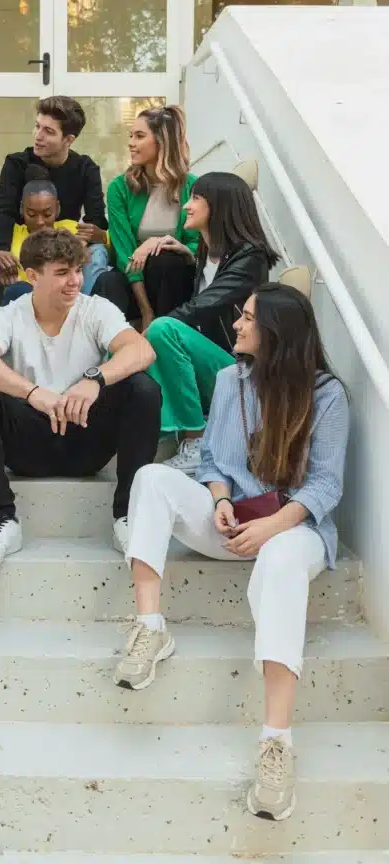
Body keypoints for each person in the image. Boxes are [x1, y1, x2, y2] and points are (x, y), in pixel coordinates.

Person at [113, 282, 349, 822]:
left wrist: (272, 527)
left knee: (284, 559)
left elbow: (326, 486)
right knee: (151, 477)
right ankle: (150, 627)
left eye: (247, 319)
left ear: (278, 334)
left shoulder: (328, 395)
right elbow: (215, 462)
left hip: (293, 530)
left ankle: (276, 743)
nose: (237, 326)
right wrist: (219, 500)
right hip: (234, 523)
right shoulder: (228, 380)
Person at [0, 229, 160, 568]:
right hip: (27, 444)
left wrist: (95, 379)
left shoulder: (96, 310)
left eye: (78, 270)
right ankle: (3, 519)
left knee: (142, 388)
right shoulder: (10, 314)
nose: (75, 281)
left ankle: (127, 517)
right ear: (32, 275)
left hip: (86, 439)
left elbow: (141, 349)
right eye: (62, 272)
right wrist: (33, 393)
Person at [143, 171, 280, 476]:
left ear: (219, 206)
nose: (186, 206)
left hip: (242, 369)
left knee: (162, 330)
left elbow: (203, 307)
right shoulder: (206, 253)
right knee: (138, 348)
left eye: (196, 198)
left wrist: (147, 334)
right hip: (215, 365)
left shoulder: (250, 258)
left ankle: (196, 437)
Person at [0, 96, 109, 296]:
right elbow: (3, 211)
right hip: (22, 243)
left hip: (66, 245)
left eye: (48, 131)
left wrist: (80, 243)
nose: (38, 135)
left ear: (68, 140)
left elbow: (95, 219)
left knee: (97, 252)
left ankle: (82, 312)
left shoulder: (85, 168)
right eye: (37, 127)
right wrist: (1, 249)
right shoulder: (16, 163)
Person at [93, 106, 199, 330]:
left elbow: (195, 244)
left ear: (162, 141)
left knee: (168, 260)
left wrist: (158, 243)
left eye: (140, 136)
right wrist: (146, 311)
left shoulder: (191, 186)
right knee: (108, 281)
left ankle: (167, 336)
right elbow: (124, 254)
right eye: (131, 136)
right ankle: (111, 354)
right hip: (134, 282)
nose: (131, 143)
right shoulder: (119, 188)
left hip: (174, 281)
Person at [0, 172, 107, 326]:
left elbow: (111, 244)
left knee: (98, 250)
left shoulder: (70, 229)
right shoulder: (10, 233)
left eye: (47, 214)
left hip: (65, 298)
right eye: (32, 214)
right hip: (19, 301)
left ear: (57, 208)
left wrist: (101, 236)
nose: (40, 221)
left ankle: (83, 315)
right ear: (22, 210)